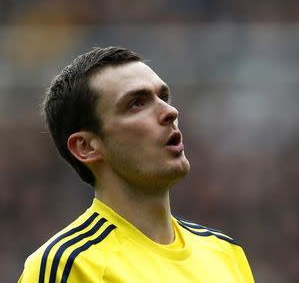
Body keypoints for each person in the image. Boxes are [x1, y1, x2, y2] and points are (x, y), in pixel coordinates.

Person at [18, 46, 254, 282]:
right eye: (136, 104)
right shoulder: (67, 266)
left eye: (163, 97)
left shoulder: (225, 253)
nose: (170, 112)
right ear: (86, 147)